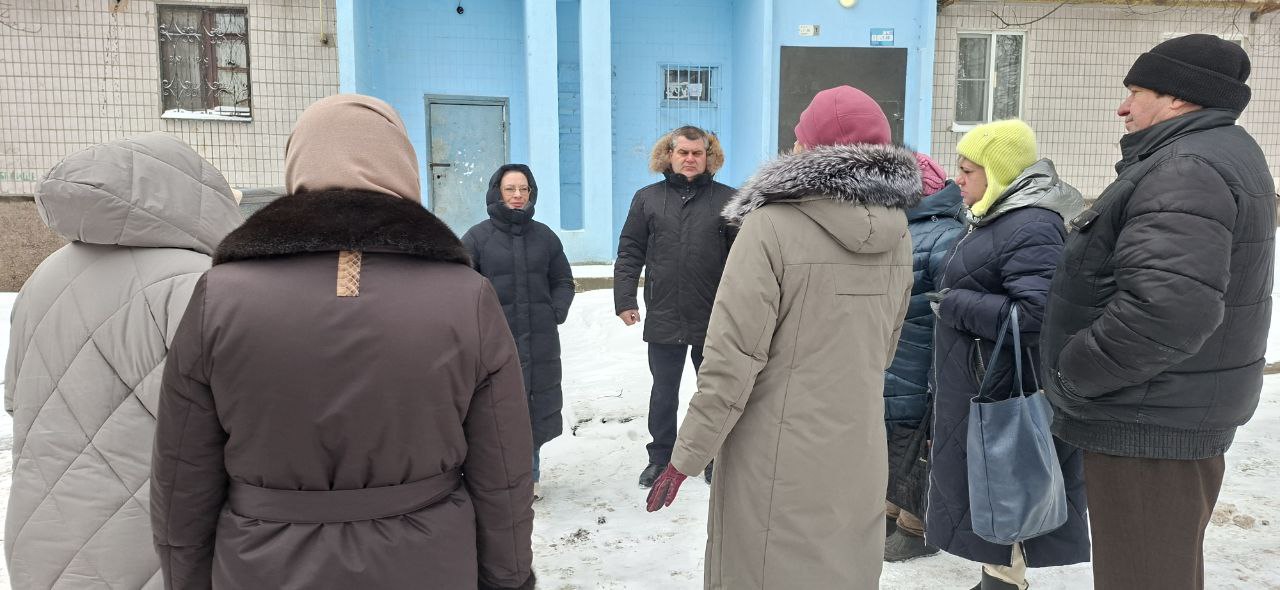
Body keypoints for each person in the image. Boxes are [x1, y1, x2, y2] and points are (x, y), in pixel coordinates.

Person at [150, 94, 536, 590]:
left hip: (261, 565)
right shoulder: (467, 297)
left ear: (297, 165)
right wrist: (507, 580)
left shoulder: (219, 298)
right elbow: (503, 468)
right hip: (426, 562)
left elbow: (182, 475)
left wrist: (186, 580)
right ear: (403, 168)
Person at [646, 85, 918, 588]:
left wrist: (686, 455)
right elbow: (885, 346)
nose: (791, 145)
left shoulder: (769, 225)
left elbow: (731, 358)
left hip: (773, 454)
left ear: (810, 149)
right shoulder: (898, 231)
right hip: (858, 447)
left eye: (798, 136)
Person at [1041, 34, 1275, 590]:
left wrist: (1073, 374)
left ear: (1178, 98)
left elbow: (1167, 311)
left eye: (1136, 92)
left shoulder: (1185, 168)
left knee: (1143, 575)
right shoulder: (1212, 153)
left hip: (1147, 421)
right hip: (1168, 410)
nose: (1122, 108)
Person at [4, 133, 242, 589]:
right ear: (197, 195)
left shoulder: (42, 277)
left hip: (38, 537)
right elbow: (230, 427)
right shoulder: (199, 285)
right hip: (146, 546)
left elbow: (15, 400)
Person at [924, 119, 1090, 590]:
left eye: (968, 170)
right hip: (979, 377)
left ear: (997, 173)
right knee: (988, 486)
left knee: (1002, 483)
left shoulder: (1031, 224)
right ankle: (996, 578)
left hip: (1000, 385)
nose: (957, 178)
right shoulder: (998, 215)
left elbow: (1037, 315)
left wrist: (957, 304)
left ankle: (1003, 582)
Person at [614, 125, 736, 487]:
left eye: (697, 153)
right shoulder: (647, 199)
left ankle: (712, 456)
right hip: (664, 311)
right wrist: (625, 299)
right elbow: (630, 251)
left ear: (709, 157)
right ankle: (661, 458)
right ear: (669, 155)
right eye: (683, 152)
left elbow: (743, 259)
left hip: (713, 314)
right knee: (663, 391)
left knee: (713, 392)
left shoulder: (729, 200)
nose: (690, 159)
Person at [462, 163, 575, 501]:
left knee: (532, 409)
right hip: (494, 342)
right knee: (494, 410)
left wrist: (555, 311)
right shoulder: (477, 238)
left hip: (539, 341)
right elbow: (461, 286)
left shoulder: (545, 237)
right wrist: (480, 324)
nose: (517, 195)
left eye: (523, 189)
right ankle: (493, 479)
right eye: (510, 189)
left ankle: (531, 477)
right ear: (497, 192)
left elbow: (563, 280)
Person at [883, 152, 966, 562]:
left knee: (919, 441)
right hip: (894, 353)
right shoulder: (899, 225)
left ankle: (916, 527)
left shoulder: (946, 234)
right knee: (893, 434)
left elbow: (949, 307)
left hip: (923, 357)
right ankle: (889, 511)